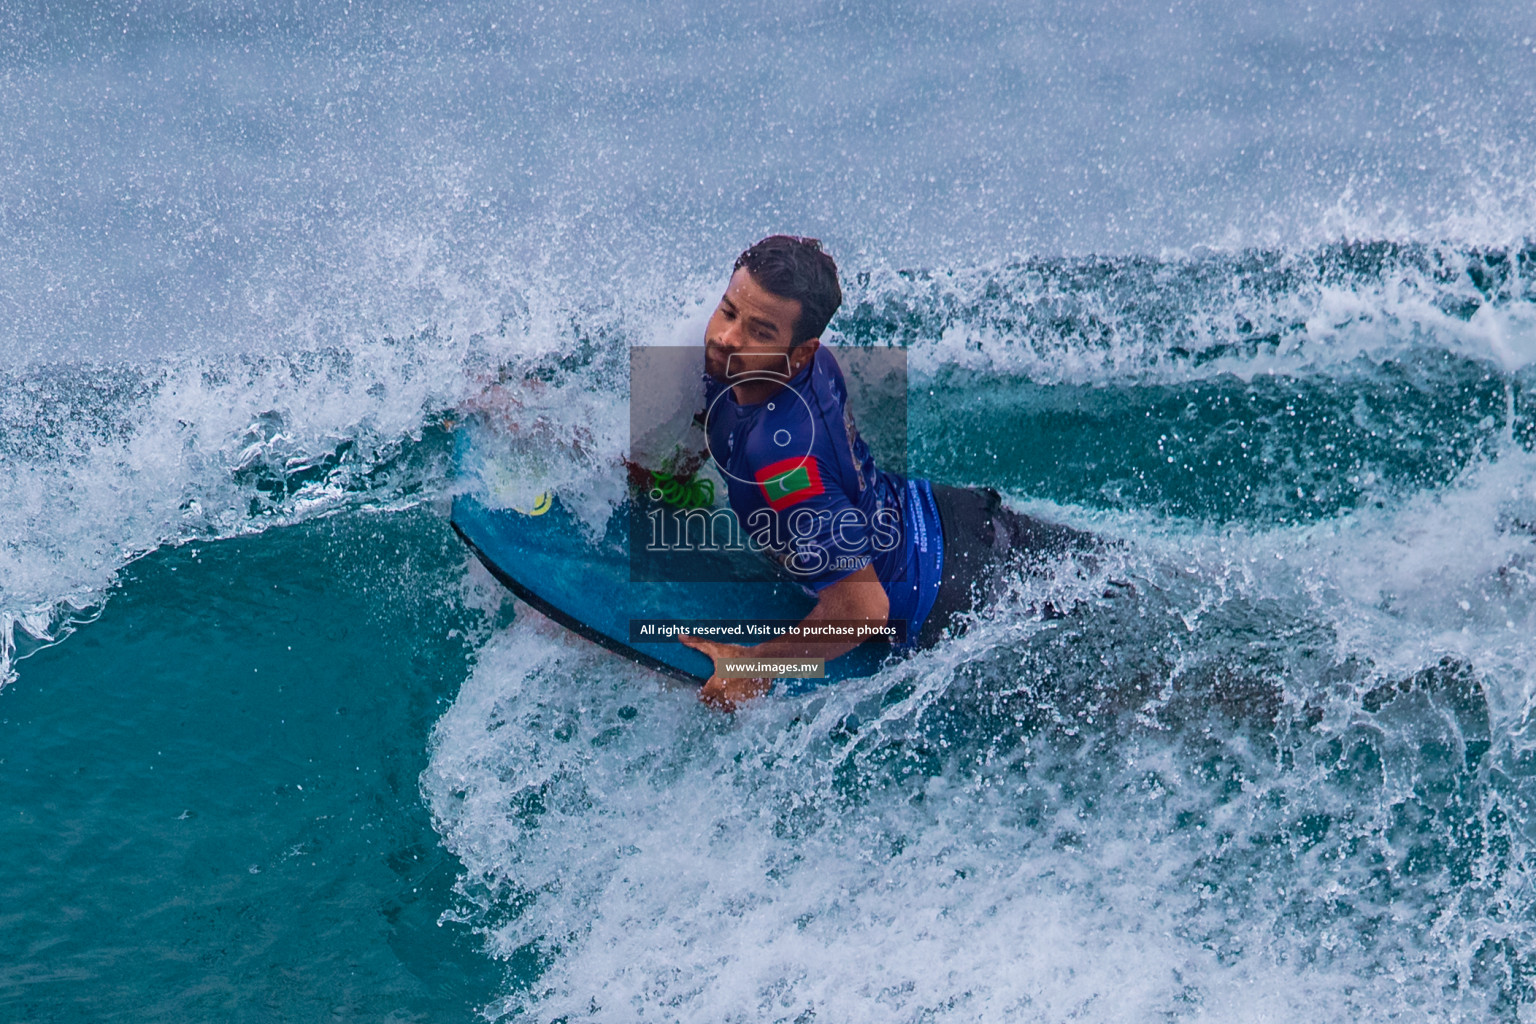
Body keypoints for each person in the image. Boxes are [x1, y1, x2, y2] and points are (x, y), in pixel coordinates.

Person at [677, 236, 1094, 710]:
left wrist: (755, 667)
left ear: (801, 353)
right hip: (946, 514)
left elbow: (863, 609)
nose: (728, 338)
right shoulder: (765, 366)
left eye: (760, 332)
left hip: (958, 595)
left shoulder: (782, 458)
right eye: (728, 311)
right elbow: (716, 417)